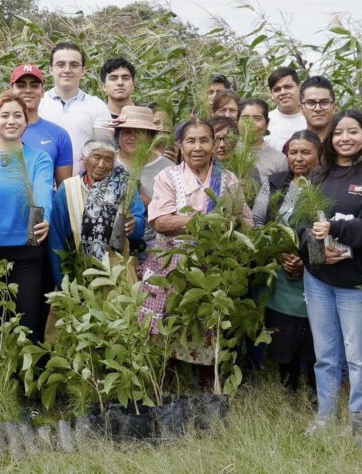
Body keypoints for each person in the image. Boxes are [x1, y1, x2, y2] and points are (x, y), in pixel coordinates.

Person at [300, 109, 362, 442]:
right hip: (319, 277)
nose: (345, 138)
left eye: (353, 132)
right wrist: (318, 247)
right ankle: (325, 419)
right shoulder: (317, 175)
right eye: (339, 133)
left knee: (359, 359)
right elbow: (296, 223)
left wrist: (337, 228)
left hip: (356, 281)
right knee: (326, 356)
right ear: (330, 138)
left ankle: (360, 427)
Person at [138, 119, 251, 367]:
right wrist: (205, 221)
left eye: (204, 140)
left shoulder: (228, 179)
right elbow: (160, 221)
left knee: (208, 320)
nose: (197, 147)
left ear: (214, 145)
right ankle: (169, 378)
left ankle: (206, 379)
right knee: (168, 322)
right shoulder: (168, 176)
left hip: (214, 263)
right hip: (172, 263)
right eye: (190, 141)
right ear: (180, 145)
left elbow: (244, 221)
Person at [0, 92, 53, 342]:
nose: (11, 120)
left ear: (26, 122)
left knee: (25, 326)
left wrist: (43, 217)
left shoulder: (39, 158)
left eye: (18, 115)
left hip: (27, 250)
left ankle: (25, 380)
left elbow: (42, 189)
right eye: (4, 115)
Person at [251, 130, 322, 393]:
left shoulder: (325, 185)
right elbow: (258, 222)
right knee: (283, 341)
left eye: (306, 152)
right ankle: (288, 392)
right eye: (293, 152)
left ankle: (317, 395)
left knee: (315, 343)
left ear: (319, 155)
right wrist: (277, 252)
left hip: (316, 274)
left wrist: (305, 261)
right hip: (280, 278)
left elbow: (328, 228)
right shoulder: (276, 182)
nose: (299, 158)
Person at [49, 138, 147, 285]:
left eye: (108, 159)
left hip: (118, 272)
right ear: (84, 159)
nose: (101, 165)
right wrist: (63, 282)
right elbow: (57, 238)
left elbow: (139, 228)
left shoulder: (124, 186)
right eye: (96, 157)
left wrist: (133, 225)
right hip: (79, 272)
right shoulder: (68, 189)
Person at [0, 64, 73, 185]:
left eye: (34, 85)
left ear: (43, 91)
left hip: (42, 202)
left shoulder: (59, 134)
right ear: (12, 90)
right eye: (21, 85)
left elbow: (63, 190)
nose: (28, 90)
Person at [37, 42, 112, 171]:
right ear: (51, 70)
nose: (67, 70)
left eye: (74, 65)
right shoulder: (37, 104)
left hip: (83, 186)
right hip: (40, 183)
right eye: (60, 64)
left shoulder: (97, 106)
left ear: (83, 71)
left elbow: (104, 150)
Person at [110, 106, 172, 253]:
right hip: (114, 250)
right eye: (126, 132)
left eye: (139, 132)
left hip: (157, 250)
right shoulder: (105, 163)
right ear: (117, 136)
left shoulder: (168, 169)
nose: (132, 137)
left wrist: (149, 204)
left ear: (150, 136)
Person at [238, 99, 289, 179]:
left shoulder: (279, 160)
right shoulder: (228, 151)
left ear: (267, 123)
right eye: (245, 118)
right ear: (236, 121)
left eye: (257, 118)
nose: (250, 124)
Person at [265, 67, 306, 152]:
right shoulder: (265, 121)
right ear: (271, 94)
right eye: (277, 89)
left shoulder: (312, 118)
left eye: (288, 87)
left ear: (299, 88)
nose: (283, 92)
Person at [300, 75, 336, 141]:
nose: (318, 108)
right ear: (301, 108)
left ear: (334, 107)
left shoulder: (345, 143)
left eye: (324, 102)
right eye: (311, 103)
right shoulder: (293, 145)